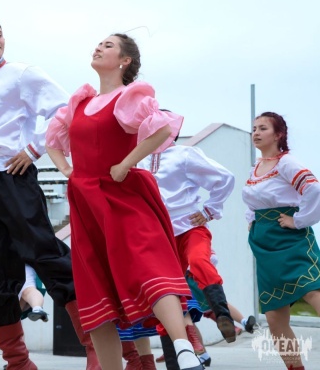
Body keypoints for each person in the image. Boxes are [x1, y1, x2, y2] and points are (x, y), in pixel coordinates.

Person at [46, 33, 203, 370]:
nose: (99, 47)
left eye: (108, 45)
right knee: (96, 291)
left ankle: (182, 346)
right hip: (86, 204)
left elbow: (162, 130)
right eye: (99, 43)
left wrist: (126, 163)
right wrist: (68, 171)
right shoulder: (79, 103)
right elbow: (52, 141)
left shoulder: (129, 96)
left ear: (124, 61)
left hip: (122, 196)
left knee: (148, 267)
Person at [0, 15, 100, 370]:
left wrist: (34, 149)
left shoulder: (22, 73)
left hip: (13, 173)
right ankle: (18, 362)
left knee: (43, 251)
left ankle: (96, 349)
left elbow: (65, 109)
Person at [137, 129, 238, 344]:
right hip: (160, 234)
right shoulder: (140, 159)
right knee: (165, 288)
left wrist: (209, 211)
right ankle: (178, 349)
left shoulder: (184, 154)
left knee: (199, 261)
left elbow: (225, 177)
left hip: (190, 226)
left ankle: (223, 315)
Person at [243, 112, 320, 370]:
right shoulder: (256, 167)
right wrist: (252, 222)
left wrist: (298, 221)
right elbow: (253, 202)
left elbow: (314, 189)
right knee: (275, 316)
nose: (256, 133)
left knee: (312, 291)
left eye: (263, 128)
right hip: (265, 245)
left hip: (290, 239)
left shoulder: (286, 162)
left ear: (278, 135)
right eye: (254, 128)